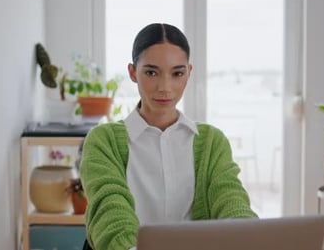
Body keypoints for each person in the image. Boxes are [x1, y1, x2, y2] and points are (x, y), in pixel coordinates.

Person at [80, 23, 258, 250]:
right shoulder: (103, 141)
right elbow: (110, 209)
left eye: (177, 73)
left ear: (189, 73)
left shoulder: (212, 142)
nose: (165, 87)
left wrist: (249, 238)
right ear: (133, 73)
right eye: (151, 72)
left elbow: (231, 200)